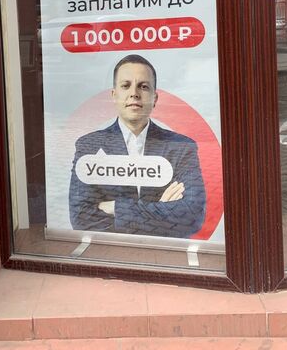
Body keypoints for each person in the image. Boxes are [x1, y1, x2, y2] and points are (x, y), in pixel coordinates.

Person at [69, 54, 206, 238]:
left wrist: (116, 208)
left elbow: (192, 216)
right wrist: (160, 210)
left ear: (155, 98)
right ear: (114, 95)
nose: (134, 93)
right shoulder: (89, 146)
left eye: (143, 86)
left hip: (165, 252)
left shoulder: (182, 147)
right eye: (126, 85)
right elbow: (81, 219)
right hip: (109, 251)